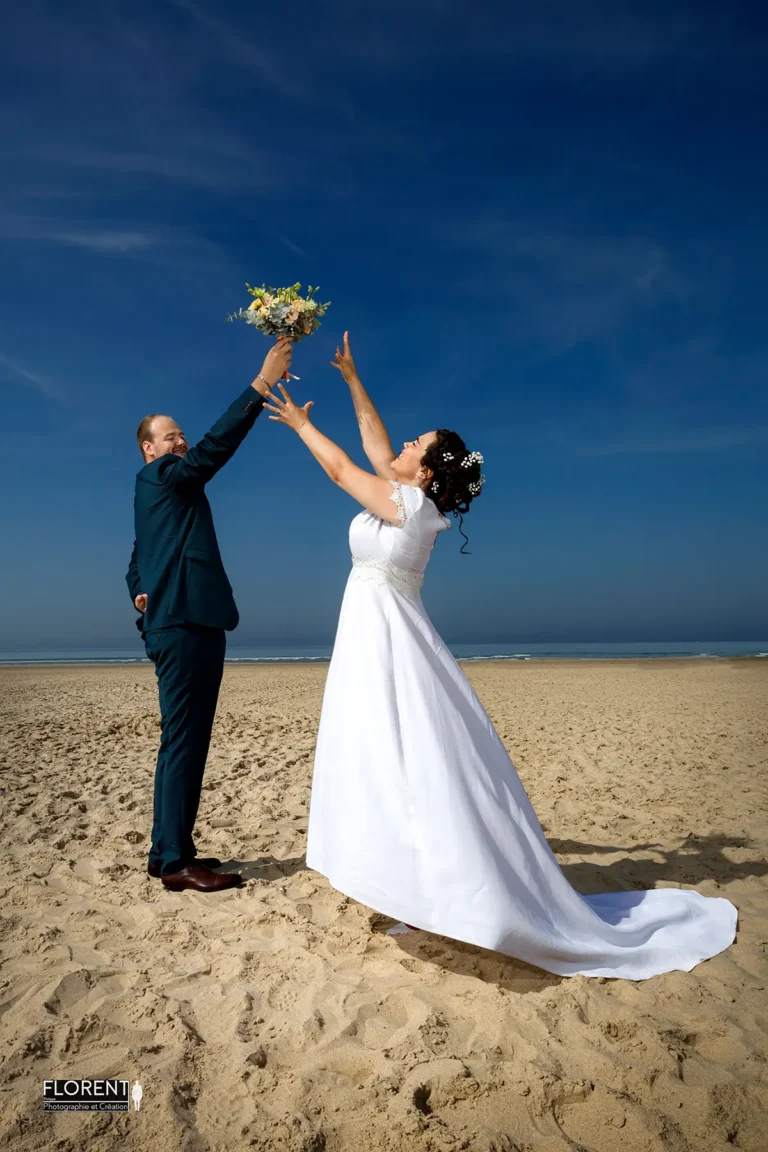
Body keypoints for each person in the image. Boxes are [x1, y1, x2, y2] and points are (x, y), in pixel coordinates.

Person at [263, 332, 738, 980]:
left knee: (413, 767)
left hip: (391, 652)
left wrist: (297, 425)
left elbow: (343, 468)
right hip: (378, 646)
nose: (400, 447)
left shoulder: (409, 507)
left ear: (425, 472)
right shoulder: (411, 498)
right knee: (392, 765)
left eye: (414, 447)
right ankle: (416, 887)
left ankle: (439, 893)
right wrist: (351, 378)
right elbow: (375, 446)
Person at [126, 337, 293, 892]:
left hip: (187, 617)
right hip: (182, 625)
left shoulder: (162, 493)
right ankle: (173, 862)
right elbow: (210, 453)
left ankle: (172, 850)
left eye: (180, 433)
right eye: (170, 436)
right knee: (181, 739)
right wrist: (261, 383)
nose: (181, 439)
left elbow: (136, 555)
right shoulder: (161, 476)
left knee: (191, 739)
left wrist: (137, 590)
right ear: (149, 450)